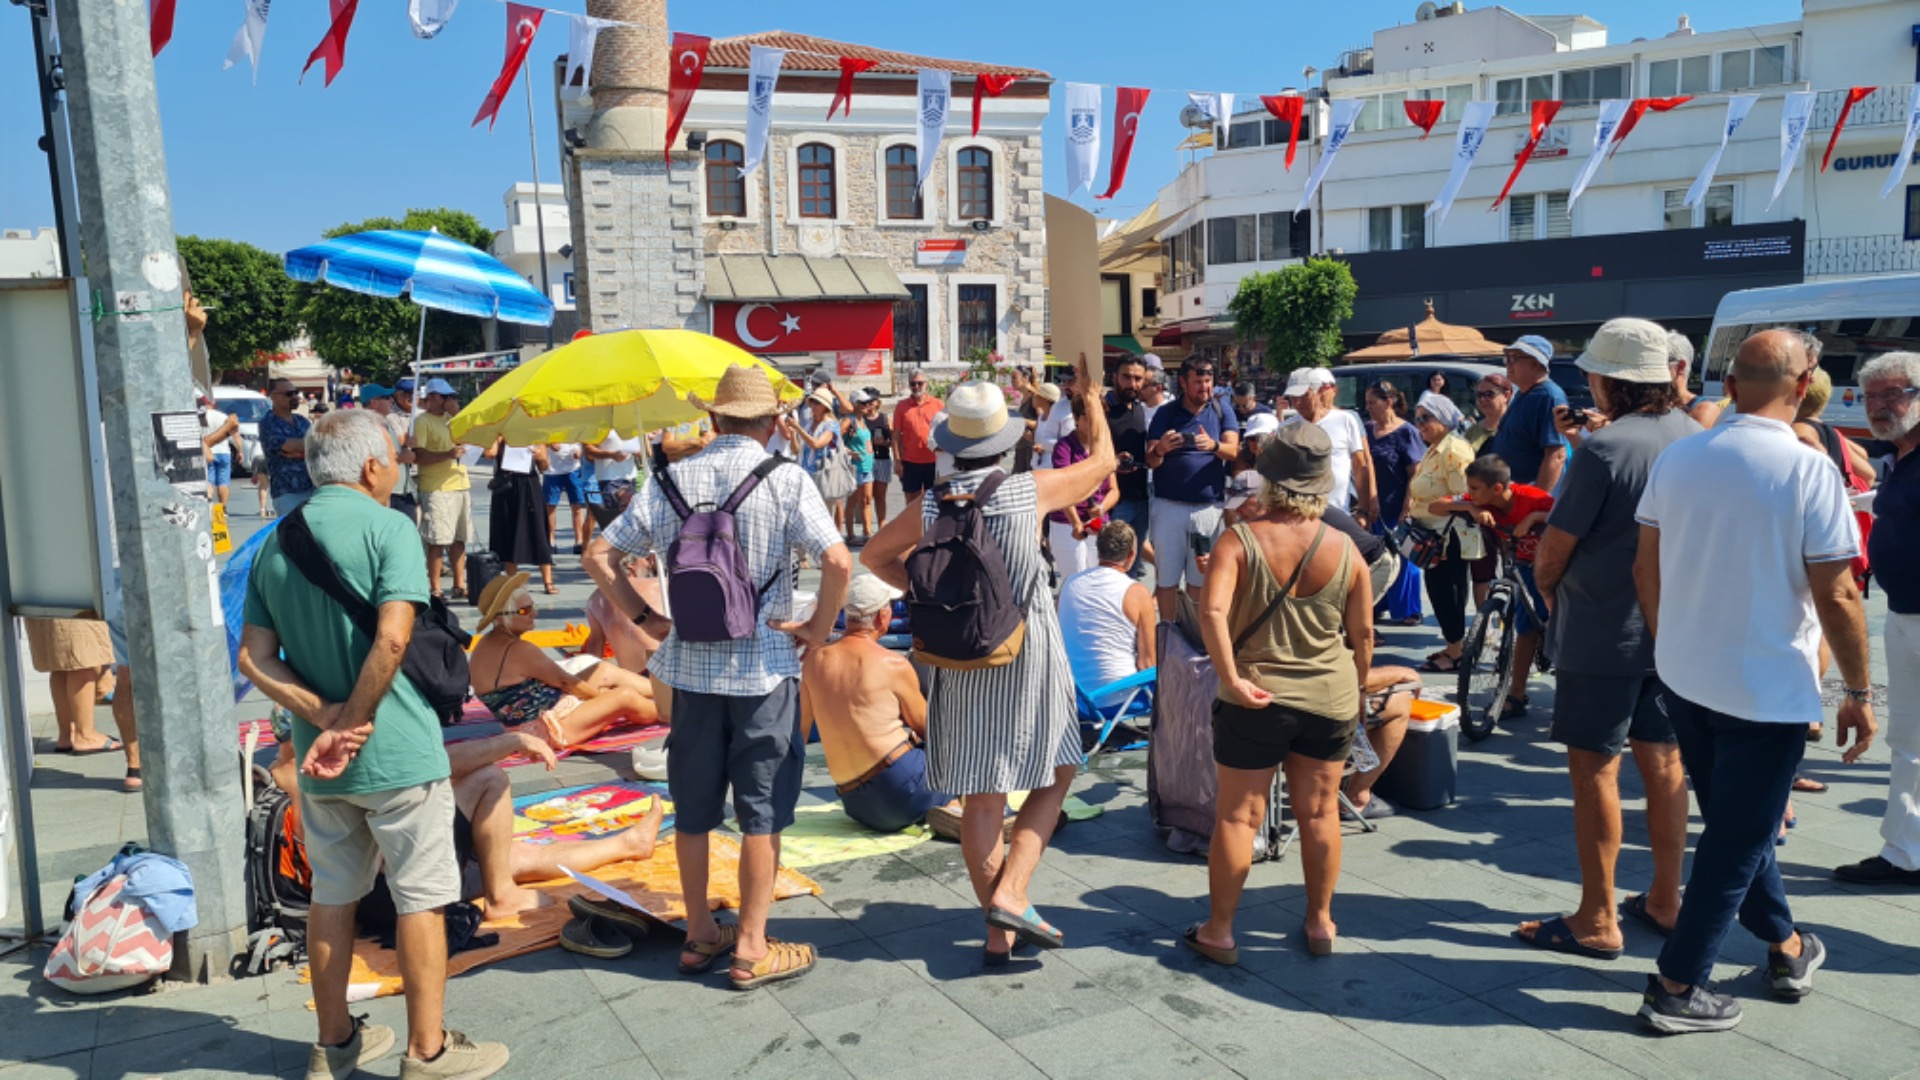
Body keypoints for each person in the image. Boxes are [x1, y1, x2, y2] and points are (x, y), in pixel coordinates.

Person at [236, 409, 509, 1078]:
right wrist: (355, 717)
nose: (399, 466)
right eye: (394, 457)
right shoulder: (390, 527)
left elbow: (254, 659)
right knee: (421, 896)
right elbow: (393, 637)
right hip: (396, 749)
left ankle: (333, 1046)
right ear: (368, 467)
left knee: (334, 898)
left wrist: (324, 717)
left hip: (320, 761)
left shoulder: (277, 541)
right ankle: (428, 1049)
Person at [1628, 329, 1876, 1033]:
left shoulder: (1680, 457)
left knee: (1742, 826)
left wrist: (1671, 636)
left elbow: (1646, 568)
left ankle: (1787, 946)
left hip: (1687, 673)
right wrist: (1857, 691)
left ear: (1729, 385)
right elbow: (1838, 594)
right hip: (1763, 687)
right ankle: (1677, 985)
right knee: (1737, 839)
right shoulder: (1808, 469)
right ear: (1804, 388)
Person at [586, 363, 852, 990]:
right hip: (763, 671)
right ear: (773, 422)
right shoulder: (786, 478)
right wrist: (818, 628)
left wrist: (643, 614)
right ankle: (752, 945)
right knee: (763, 814)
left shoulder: (670, 479)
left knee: (695, 811)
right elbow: (838, 559)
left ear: (713, 419)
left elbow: (599, 553)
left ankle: (701, 929)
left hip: (689, 669)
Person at [861, 364, 1113, 964]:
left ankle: (998, 930)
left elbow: (873, 555)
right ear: (1007, 440)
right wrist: (1092, 400)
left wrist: (928, 597)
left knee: (982, 797)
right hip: (1026, 651)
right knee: (1055, 774)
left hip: (955, 656)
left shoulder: (927, 506)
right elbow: (1103, 463)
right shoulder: (1029, 490)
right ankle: (1016, 891)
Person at [1507, 318, 1701, 960]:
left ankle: (1597, 914)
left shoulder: (1605, 449)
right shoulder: (1692, 434)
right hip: (1672, 630)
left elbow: (1554, 551)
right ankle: (1667, 897)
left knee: (1595, 769)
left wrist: (1552, 593)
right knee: (1666, 764)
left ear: (1612, 382)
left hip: (1603, 630)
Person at [1186, 423, 1372, 965]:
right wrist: (1357, 688)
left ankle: (1220, 930)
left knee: (1237, 817)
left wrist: (1233, 678)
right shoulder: (1345, 548)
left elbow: (1212, 611)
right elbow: (1362, 635)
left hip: (1256, 697)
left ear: (1268, 480)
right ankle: (1319, 920)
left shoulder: (1239, 539)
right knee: (1319, 814)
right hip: (1329, 696)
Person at [1835, 351, 1920, 886]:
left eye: (1895, 393)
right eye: (1870, 396)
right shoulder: (1897, 455)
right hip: (1905, 615)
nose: (1881, 406)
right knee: (1908, 738)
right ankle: (1904, 853)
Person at [799, 575, 951, 832]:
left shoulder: (814, 661)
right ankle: (957, 805)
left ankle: (948, 806)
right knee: (963, 748)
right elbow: (930, 730)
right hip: (902, 786)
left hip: (855, 802)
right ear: (883, 616)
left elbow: (799, 732)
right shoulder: (891, 664)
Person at [469, 573, 660, 749]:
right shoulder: (519, 650)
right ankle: (671, 711)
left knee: (602, 670)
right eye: (524, 611)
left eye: (532, 607)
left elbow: (563, 681)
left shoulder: (486, 644)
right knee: (624, 696)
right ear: (501, 618)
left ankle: (668, 692)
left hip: (537, 717)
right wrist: (601, 697)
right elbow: (567, 682)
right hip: (546, 731)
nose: (533, 614)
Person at [1429, 456, 1555, 716]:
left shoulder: (1533, 498)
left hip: (1553, 567)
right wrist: (1469, 508)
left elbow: (1566, 515)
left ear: (1497, 489)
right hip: (1520, 565)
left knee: (1555, 627)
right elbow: (1435, 507)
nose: (1470, 492)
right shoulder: (1479, 501)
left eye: (1474, 488)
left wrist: (1533, 517)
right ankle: (1516, 694)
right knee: (1525, 627)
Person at [1145, 357, 1241, 621]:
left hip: (1206, 510)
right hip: (1169, 510)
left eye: (1208, 381)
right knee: (1166, 578)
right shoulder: (1166, 413)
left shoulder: (1223, 410)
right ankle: (1167, 633)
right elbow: (1150, 460)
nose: (1204, 388)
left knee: (1200, 579)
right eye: (1198, 382)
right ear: (1184, 383)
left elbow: (1233, 451)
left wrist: (1213, 446)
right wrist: (1161, 448)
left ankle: (1196, 636)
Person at [1406, 393, 1479, 672]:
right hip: (1433, 534)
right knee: (1440, 591)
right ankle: (1453, 646)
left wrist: (1441, 505)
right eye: (1418, 418)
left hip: (1450, 536)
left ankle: (1457, 652)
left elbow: (1468, 494)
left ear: (1445, 418)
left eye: (1427, 418)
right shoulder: (1436, 446)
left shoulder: (1454, 449)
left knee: (1448, 592)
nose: (1420, 424)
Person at [1058, 522, 1156, 709]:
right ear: (1131, 556)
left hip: (1072, 697)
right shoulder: (1137, 593)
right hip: (1120, 699)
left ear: (1098, 550)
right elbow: (1147, 663)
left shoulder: (1070, 583)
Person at [1364, 379, 1426, 625]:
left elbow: (1416, 473)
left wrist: (1407, 505)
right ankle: (1378, 604)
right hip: (1373, 507)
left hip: (1398, 504)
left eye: (1372, 402)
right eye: (1366, 403)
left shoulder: (1406, 432)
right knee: (1378, 558)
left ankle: (1409, 609)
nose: (1368, 407)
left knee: (1404, 558)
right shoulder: (1367, 431)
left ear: (1388, 402)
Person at [1282, 367, 1373, 523]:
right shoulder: (1284, 429)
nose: (1297, 402)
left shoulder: (1346, 420)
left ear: (1318, 391)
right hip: (1299, 518)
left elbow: (1360, 465)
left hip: (1339, 514)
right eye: (1293, 397)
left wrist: (1363, 510)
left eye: (1304, 395)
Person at [410, 379, 474, 601]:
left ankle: (459, 584)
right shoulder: (423, 422)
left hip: (459, 484)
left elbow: (471, 437)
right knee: (437, 539)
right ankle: (435, 587)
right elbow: (419, 455)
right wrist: (447, 455)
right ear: (434, 397)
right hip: (437, 487)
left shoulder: (452, 420)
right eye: (446, 397)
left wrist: (458, 415)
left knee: (459, 538)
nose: (450, 401)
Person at [1048, 394, 1118, 579]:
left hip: (1097, 522)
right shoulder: (1064, 446)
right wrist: (1076, 523)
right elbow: (1062, 488)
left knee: (1098, 578)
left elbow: (1114, 490)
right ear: (1077, 418)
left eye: (1100, 417)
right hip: (1067, 522)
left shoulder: (1104, 447)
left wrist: (1102, 508)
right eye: (1089, 417)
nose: (1096, 423)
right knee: (1076, 578)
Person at [1489, 335, 1569, 492]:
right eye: (1507, 358)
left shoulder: (1549, 397)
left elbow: (1556, 455)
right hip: (1513, 489)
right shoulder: (1524, 393)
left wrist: (1537, 501)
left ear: (1534, 363)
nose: (1507, 364)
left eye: (1514, 358)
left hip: (1531, 489)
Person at [1102, 358, 1153, 576]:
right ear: (1115, 377)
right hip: (1115, 502)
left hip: (1142, 499)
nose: (1132, 383)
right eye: (1126, 377)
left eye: (1138, 378)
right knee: (1111, 568)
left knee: (1132, 568)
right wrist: (1113, 461)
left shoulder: (1141, 409)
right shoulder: (1102, 410)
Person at [485, 440, 555, 595]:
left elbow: (544, 466)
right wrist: (498, 438)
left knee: (538, 530)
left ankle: (548, 581)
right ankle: (512, 580)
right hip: (506, 485)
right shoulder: (500, 434)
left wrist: (539, 457)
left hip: (529, 483)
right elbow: (489, 453)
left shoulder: (534, 435)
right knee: (507, 530)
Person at [790, 389, 848, 537]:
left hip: (824, 476)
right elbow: (797, 451)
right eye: (812, 402)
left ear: (825, 406)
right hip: (806, 476)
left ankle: (826, 555)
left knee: (825, 519)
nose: (813, 406)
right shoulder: (808, 424)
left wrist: (797, 428)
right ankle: (802, 557)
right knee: (803, 517)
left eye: (817, 403)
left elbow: (817, 444)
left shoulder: (831, 425)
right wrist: (792, 433)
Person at [260, 377, 315, 518]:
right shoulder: (268, 422)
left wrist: (303, 449)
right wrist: (308, 446)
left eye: (296, 392)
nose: (295, 397)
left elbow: (316, 446)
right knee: (294, 535)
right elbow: (288, 446)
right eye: (289, 394)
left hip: (312, 488)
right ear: (273, 397)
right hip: (287, 492)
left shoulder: (302, 421)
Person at [361, 386, 418, 520]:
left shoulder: (386, 423)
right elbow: (370, 461)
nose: (391, 401)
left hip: (402, 491)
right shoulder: (366, 426)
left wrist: (406, 446)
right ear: (373, 402)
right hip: (386, 494)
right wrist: (400, 459)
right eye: (387, 398)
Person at [892, 372, 945, 504]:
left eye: (920, 383)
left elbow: (945, 431)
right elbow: (896, 435)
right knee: (912, 501)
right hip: (911, 461)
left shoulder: (937, 404)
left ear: (926, 384)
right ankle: (913, 525)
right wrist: (897, 461)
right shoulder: (902, 406)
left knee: (934, 500)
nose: (916, 386)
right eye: (913, 384)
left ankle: (930, 525)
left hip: (934, 460)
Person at [584, 427, 642, 528]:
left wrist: (639, 452)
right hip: (609, 477)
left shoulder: (630, 423)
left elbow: (644, 448)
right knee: (612, 519)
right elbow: (588, 450)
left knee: (631, 516)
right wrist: (611, 455)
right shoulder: (598, 425)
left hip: (630, 476)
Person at [544, 442, 592, 555]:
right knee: (550, 506)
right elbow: (539, 439)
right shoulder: (546, 424)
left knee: (577, 506)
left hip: (573, 469)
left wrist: (580, 451)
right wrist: (549, 443)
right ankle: (551, 541)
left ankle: (579, 541)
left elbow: (582, 440)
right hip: (552, 470)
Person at [1668, 331, 1722, 429]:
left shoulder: (1704, 409)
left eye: (1659, 364)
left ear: (1681, 367)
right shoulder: (1651, 405)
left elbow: (1692, 442)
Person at [843, 391, 877, 544]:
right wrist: (849, 451)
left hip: (867, 465)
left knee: (867, 499)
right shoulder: (849, 421)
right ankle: (850, 534)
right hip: (855, 467)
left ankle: (867, 532)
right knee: (853, 501)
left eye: (868, 403)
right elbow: (834, 439)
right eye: (863, 403)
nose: (867, 406)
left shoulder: (862, 420)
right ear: (855, 404)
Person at [200, 392, 240, 506]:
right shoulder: (223, 416)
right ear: (214, 404)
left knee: (209, 482)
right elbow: (235, 435)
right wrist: (240, 450)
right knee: (223, 482)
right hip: (224, 452)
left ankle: (209, 505)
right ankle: (223, 508)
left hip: (208, 451)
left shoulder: (201, 417)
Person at [862, 390, 893, 529]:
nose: (868, 404)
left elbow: (894, 440)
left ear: (877, 402)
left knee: (880, 496)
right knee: (866, 497)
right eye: (865, 401)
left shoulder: (885, 419)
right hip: (865, 460)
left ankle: (882, 525)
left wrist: (884, 442)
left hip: (882, 458)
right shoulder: (860, 419)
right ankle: (867, 529)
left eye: (871, 400)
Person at [1465, 372, 1511, 452]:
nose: (1482, 399)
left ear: (1506, 396)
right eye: (1479, 395)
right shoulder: (1473, 430)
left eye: (1489, 394)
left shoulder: (1515, 428)